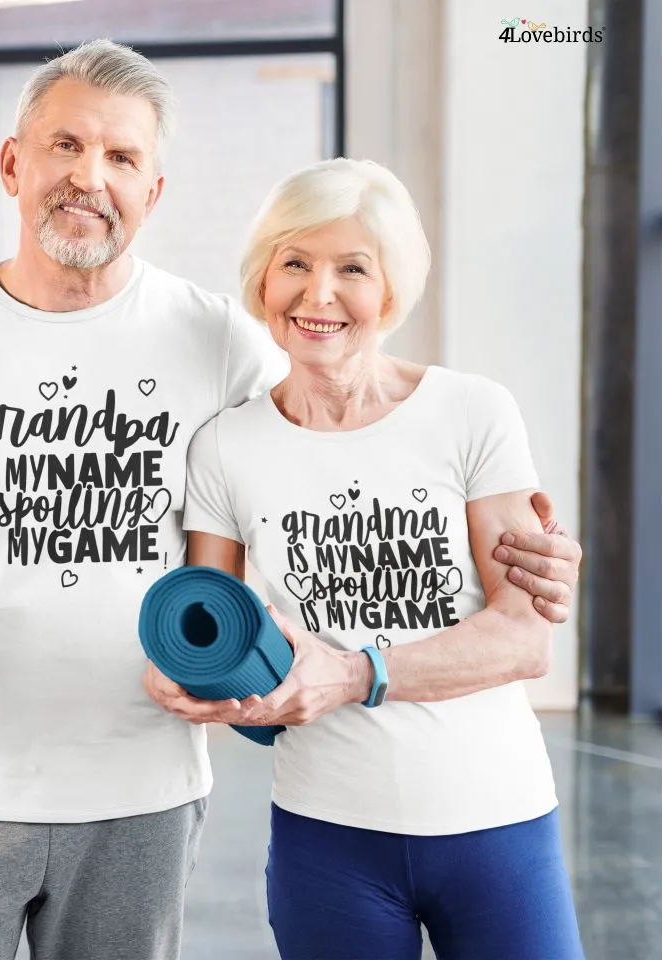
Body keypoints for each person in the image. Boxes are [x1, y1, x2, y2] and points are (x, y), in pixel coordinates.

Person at [0, 40, 582, 960]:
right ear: (14, 163)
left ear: (153, 192)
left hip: (144, 797)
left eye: (123, 157)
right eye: (65, 145)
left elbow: (332, 437)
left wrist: (531, 558)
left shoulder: (216, 341)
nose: (91, 177)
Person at [144, 156, 584, 959]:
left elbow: (525, 638)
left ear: (389, 288)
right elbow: (209, 625)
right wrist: (187, 681)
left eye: (353, 267)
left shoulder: (473, 413)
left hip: (497, 821)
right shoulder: (225, 447)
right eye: (295, 264)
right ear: (263, 283)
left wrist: (354, 672)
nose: (319, 295)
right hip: (328, 838)